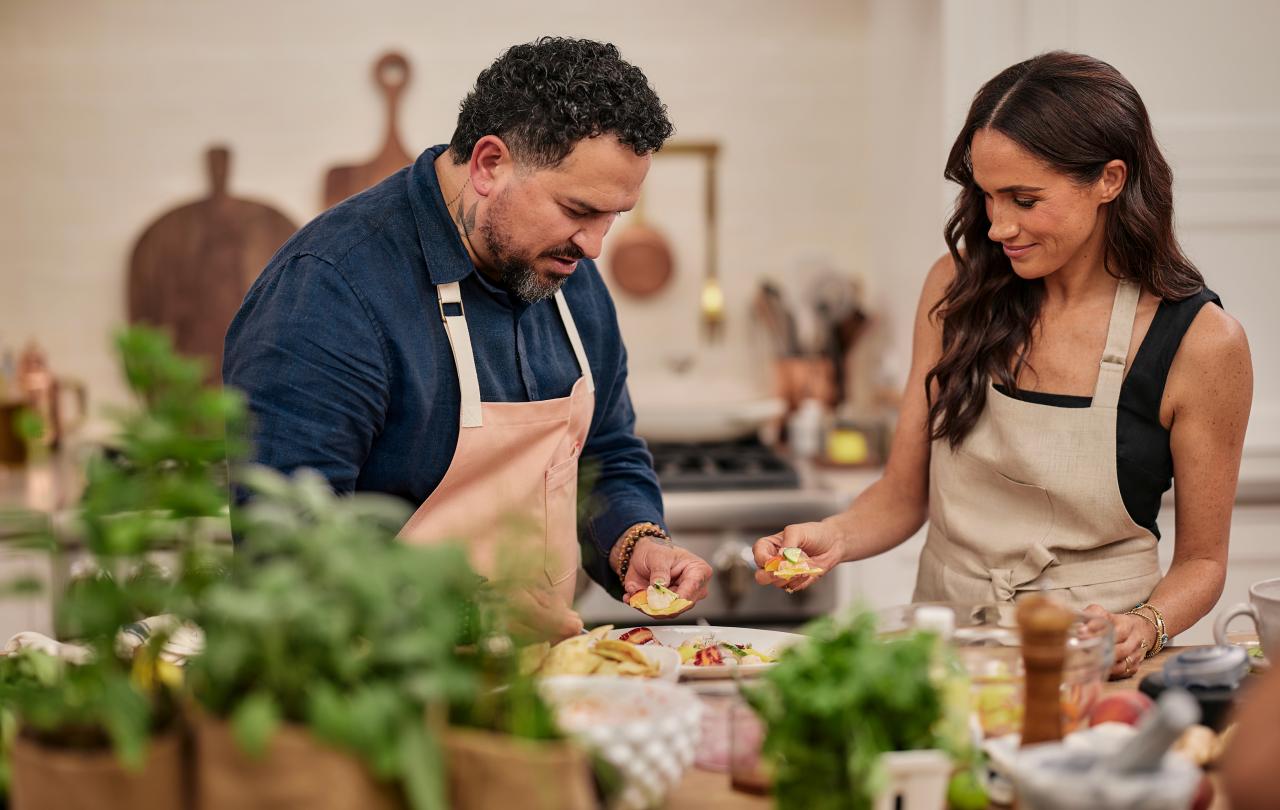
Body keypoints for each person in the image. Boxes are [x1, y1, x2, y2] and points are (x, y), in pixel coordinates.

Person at [754, 52, 1252, 678]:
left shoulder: (1202, 344)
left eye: (1024, 198)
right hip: (942, 657)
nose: (998, 226)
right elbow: (905, 494)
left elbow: (1203, 563)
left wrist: (1146, 626)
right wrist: (837, 536)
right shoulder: (955, 291)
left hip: (1085, 670)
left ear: (1109, 180)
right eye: (987, 197)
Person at [224, 37, 711, 638]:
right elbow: (285, 546)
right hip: (385, 694)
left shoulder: (565, 273)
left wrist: (633, 540)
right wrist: (473, 614)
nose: (594, 246)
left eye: (613, 217)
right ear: (488, 164)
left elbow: (603, 453)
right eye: (578, 210)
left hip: (543, 688)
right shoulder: (330, 288)